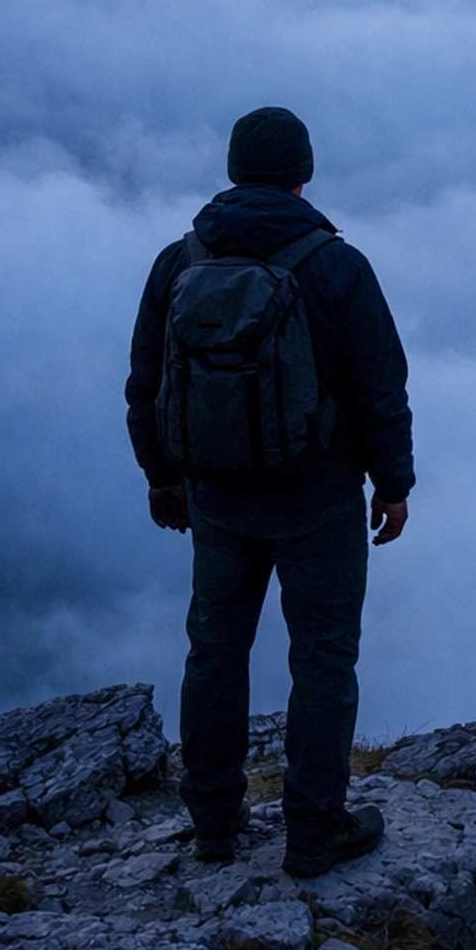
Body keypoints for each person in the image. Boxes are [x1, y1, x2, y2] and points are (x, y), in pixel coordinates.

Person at [126, 106, 413, 876]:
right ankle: (314, 828)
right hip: (317, 500)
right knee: (322, 660)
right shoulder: (336, 266)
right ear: (303, 172)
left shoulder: (178, 261)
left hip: (215, 500)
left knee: (215, 653)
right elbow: (380, 386)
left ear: (232, 169)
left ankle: (214, 823)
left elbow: (145, 386)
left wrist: (162, 477)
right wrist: (394, 485)